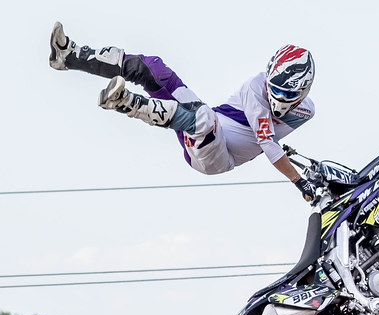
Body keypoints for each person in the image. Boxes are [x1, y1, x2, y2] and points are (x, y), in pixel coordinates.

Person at [48, 22, 320, 199]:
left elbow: (267, 144)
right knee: (154, 69)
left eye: (285, 94)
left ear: (302, 93)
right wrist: (299, 182)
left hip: (216, 156)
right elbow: (267, 143)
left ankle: (128, 104)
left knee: (203, 119)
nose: (276, 96)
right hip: (202, 125)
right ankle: (70, 57)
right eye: (274, 88)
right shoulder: (256, 86)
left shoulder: (306, 111)